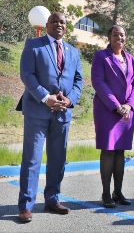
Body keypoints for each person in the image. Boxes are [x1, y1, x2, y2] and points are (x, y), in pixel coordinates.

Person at [17, 12, 83, 223]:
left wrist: (69, 100)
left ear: (66, 26)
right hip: (37, 111)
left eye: (62, 22)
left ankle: (52, 200)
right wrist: (46, 98)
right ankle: (26, 206)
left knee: (58, 159)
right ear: (47, 25)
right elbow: (27, 74)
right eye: (54, 21)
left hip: (63, 113)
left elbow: (79, 81)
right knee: (32, 160)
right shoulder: (33, 45)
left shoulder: (73, 52)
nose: (58, 24)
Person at [91, 25, 134, 208]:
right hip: (107, 110)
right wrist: (116, 106)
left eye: (121, 35)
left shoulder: (131, 59)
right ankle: (106, 193)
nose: (118, 37)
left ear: (125, 38)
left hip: (126, 113)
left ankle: (118, 192)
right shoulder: (101, 56)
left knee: (120, 151)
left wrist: (129, 105)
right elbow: (98, 82)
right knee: (108, 150)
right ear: (109, 37)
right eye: (114, 35)